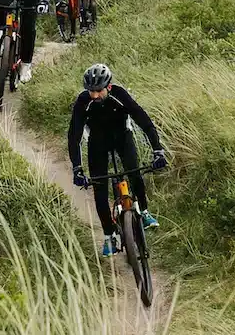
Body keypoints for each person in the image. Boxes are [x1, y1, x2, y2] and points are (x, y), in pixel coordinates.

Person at [68, 63, 168, 258]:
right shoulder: (83, 101)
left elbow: (143, 120)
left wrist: (158, 150)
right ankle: (109, 236)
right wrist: (77, 168)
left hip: (122, 137)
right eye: (91, 91)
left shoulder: (119, 94)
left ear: (108, 86)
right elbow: (74, 136)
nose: (94, 95)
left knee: (134, 172)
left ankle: (144, 211)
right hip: (97, 142)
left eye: (98, 90)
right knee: (100, 188)